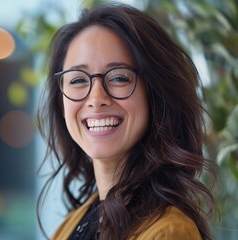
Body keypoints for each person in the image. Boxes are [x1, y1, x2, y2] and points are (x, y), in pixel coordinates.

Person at [36, 3, 217, 240]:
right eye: (78, 80)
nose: (96, 98)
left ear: (156, 95)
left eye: (119, 77)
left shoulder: (169, 232)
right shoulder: (76, 222)